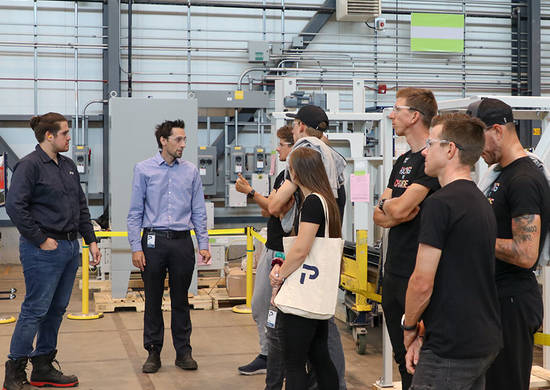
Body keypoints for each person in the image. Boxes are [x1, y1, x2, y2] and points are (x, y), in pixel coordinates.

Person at [402, 113, 502, 389]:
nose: (424, 150)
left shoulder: (441, 204)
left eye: (431, 143)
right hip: (481, 338)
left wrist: (409, 328)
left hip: (451, 346)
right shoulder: (480, 202)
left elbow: (421, 282)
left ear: (450, 149)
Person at [4, 112, 101, 390]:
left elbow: (81, 206)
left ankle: (43, 366)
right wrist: (40, 239)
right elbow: (15, 206)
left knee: (56, 310)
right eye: (65, 133)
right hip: (43, 250)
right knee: (35, 309)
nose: (69, 137)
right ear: (49, 135)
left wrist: (91, 240)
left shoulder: (68, 165)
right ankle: (15, 372)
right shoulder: (30, 166)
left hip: (71, 247)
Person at [467, 98, 550, 390]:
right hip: (495, 300)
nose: (477, 149)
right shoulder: (500, 176)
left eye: (479, 138)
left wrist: (474, 238)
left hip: (512, 304)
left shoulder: (524, 179)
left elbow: (527, 254)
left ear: (498, 131)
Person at [268, 104, 347, 390]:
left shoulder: (312, 203)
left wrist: (279, 275)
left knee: (294, 362)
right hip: (317, 294)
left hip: (302, 295)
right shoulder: (326, 200)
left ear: (298, 172)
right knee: (319, 355)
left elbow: (301, 250)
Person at [127, 119, 211, 374]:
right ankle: (153, 352)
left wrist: (203, 243)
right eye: (178, 139)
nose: (183, 144)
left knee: (180, 300)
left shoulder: (191, 171)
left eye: (184, 140)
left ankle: (183, 351)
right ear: (164, 141)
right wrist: (135, 247)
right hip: (152, 242)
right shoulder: (143, 170)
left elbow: (198, 210)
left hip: (182, 242)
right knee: (152, 300)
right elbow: (134, 212)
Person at [372, 88, 439, 390]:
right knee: (403, 360)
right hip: (393, 275)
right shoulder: (402, 161)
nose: (391, 115)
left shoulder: (431, 160)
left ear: (414, 116)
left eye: (396, 109)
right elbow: (382, 214)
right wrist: (394, 209)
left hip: (418, 275)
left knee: (421, 360)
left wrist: (393, 208)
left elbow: (395, 207)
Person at [234, 125, 294, 385]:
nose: (277, 149)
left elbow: (275, 208)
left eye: (281, 145)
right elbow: (270, 209)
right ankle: (269, 354)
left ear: (292, 147)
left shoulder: (294, 177)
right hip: (271, 247)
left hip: (283, 251)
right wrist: (266, 202)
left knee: (274, 309)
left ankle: (277, 358)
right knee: (260, 306)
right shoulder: (282, 175)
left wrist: (251, 193)